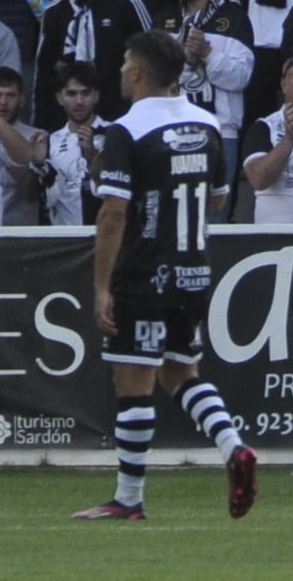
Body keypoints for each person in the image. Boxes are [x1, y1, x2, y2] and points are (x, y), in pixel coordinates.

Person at [70, 30, 261, 525]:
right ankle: (233, 446)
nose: (119, 74)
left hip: (143, 271)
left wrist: (101, 286)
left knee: (134, 380)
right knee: (180, 371)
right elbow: (218, 198)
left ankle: (128, 497)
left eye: (124, 65)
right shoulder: (208, 122)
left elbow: (112, 212)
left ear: (137, 73)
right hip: (194, 271)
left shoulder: (127, 129)